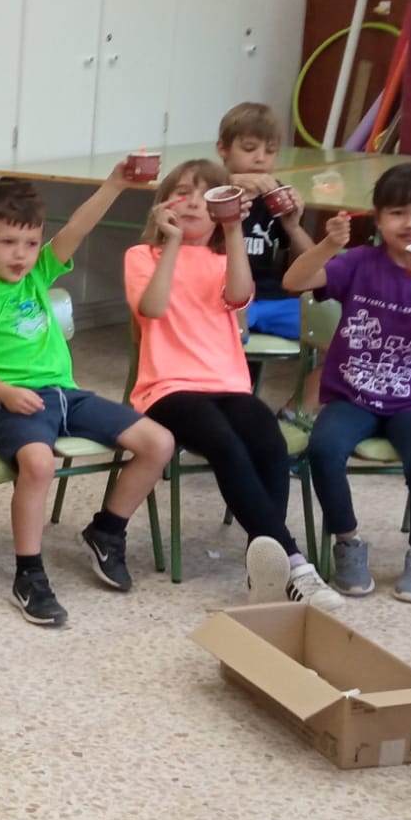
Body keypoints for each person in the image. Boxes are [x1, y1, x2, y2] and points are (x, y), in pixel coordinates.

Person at [0, 174, 176, 625]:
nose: (21, 254)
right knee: (38, 464)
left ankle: (106, 531)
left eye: (31, 244)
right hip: (12, 401)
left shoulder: (39, 273)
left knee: (159, 442)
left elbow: (78, 227)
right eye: (8, 242)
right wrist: (6, 393)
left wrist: (116, 184)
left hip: (68, 396)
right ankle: (29, 574)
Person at [122, 163, 338, 609]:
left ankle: (267, 563)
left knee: (269, 441)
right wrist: (173, 242)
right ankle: (293, 562)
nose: (193, 203)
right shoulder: (143, 255)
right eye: (183, 192)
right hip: (165, 387)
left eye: (207, 197)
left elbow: (238, 296)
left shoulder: (224, 258)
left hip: (227, 383)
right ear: (163, 204)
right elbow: (153, 308)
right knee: (225, 444)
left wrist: (234, 229)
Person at [284, 163, 411, 603]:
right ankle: (347, 542)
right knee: (323, 449)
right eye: (398, 212)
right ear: (379, 218)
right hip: (353, 394)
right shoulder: (360, 262)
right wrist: (329, 245)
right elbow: (295, 281)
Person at [216, 102, 314, 342]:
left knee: (328, 324)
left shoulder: (275, 195)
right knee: (222, 330)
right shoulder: (209, 191)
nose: (260, 158)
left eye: (270, 151)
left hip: (271, 299)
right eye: (249, 148)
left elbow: (314, 267)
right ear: (223, 149)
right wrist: (229, 184)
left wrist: (294, 227)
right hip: (222, 298)